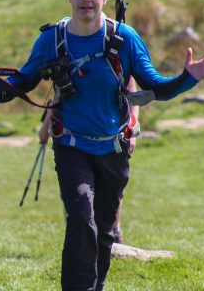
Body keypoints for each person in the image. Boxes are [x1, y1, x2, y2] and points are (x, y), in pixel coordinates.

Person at [0, 0, 204, 291]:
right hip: (71, 149)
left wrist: (187, 79)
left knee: (104, 233)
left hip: (114, 149)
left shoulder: (125, 39)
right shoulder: (52, 40)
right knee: (82, 221)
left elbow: (156, 87)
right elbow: (23, 80)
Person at [40, 77, 139, 245]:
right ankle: (78, 235)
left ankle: (114, 231)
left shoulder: (120, 58)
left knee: (112, 193)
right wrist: (46, 127)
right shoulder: (66, 59)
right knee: (74, 194)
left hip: (111, 139)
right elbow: (57, 100)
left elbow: (133, 96)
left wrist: (132, 127)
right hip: (73, 143)